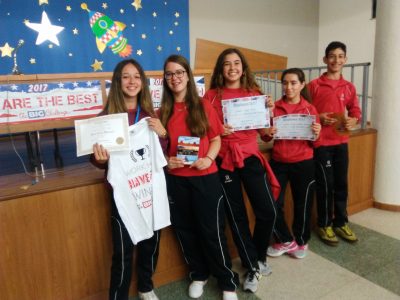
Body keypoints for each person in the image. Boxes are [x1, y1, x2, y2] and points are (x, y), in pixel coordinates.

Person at [159, 54, 239, 300]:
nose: (175, 78)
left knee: (212, 231)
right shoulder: (162, 111)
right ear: (165, 79)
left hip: (205, 178)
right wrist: (166, 159)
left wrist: (209, 159)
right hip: (176, 180)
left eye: (179, 72)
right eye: (170, 74)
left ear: (187, 76)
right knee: (186, 231)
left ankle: (227, 282)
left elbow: (216, 139)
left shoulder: (203, 105)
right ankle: (199, 274)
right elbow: (159, 150)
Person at [90, 59, 169, 300]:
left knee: (151, 242)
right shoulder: (106, 118)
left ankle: (145, 286)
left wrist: (163, 134)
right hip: (123, 193)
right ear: (117, 81)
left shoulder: (149, 115)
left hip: (150, 189)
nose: (132, 81)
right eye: (126, 76)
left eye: (136, 77)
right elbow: (96, 159)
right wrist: (101, 160)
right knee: (123, 250)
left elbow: (161, 149)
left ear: (143, 83)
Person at [203, 48, 279, 293]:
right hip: (224, 160)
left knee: (267, 211)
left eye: (237, 63)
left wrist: (269, 113)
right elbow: (203, 132)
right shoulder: (210, 97)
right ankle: (251, 264)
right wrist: (218, 130)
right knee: (236, 217)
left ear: (243, 68)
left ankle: (256, 255)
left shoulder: (254, 94)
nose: (232, 68)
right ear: (220, 69)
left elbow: (265, 134)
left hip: (250, 156)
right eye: (227, 64)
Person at [263, 68, 321, 259]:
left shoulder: (309, 109)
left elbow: (315, 142)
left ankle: (302, 241)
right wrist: (268, 132)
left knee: (302, 204)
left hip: (304, 163)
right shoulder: (275, 108)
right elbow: (265, 136)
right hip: (279, 162)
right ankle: (285, 240)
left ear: (302, 84)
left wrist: (317, 133)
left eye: (293, 83)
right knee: (272, 203)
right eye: (285, 83)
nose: (289, 87)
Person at [308, 41, 361, 245]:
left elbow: (355, 111)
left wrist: (353, 119)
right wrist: (318, 117)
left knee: (341, 184)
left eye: (340, 56)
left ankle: (340, 222)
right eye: (332, 56)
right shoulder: (314, 85)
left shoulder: (349, 87)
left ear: (345, 60)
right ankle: (324, 224)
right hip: (321, 144)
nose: (336, 60)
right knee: (326, 185)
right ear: (325, 60)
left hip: (341, 142)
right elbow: (304, 111)